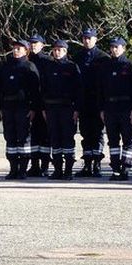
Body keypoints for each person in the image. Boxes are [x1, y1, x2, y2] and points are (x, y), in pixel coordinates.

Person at [98, 37, 132, 181]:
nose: (114, 49)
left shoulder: (130, 65)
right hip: (110, 108)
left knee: (127, 139)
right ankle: (115, 169)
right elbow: (101, 89)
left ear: (123, 48)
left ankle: (126, 168)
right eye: (112, 47)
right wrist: (102, 109)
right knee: (113, 140)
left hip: (126, 108)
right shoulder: (106, 66)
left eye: (117, 47)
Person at [0, 39, 41, 180]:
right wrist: (0, 107)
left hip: (23, 107)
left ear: (26, 50)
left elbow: (36, 90)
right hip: (8, 107)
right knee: (10, 137)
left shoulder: (30, 67)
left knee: (23, 138)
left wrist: (33, 108)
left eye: (19, 48)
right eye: (15, 48)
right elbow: (0, 89)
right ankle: (13, 169)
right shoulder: (6, 67)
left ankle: (22, 169)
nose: (16, 51)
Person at [41, 40, 83, 180]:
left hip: (67, 108)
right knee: (55, 139)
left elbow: (78, 90)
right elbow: (43, 89)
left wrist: (76, 109)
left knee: (67, 139)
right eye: (55, 49)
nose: (57, 52)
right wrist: (44, 108)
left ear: (65, 51)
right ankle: (57, 169)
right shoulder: (48, 67)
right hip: (52, 108)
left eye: (60, 50)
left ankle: (68, 170)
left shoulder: (71, 67)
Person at [73, 28, 110, 177]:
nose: (87, 40)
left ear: (96, 39)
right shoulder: (78, 57)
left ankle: (97, 164)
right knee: (85, 133)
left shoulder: (103, 58)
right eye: (84, 38)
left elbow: (107, 83)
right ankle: (87, 163)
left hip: (97, 101)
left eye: (90, 38)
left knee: (97, 133)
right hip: (83, 101)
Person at [28, 34, 52, 176]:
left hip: (43, 103)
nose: (33, 46)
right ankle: (34, 165)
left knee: (45, 135)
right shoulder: (27, 60)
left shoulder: (48, 61)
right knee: (33, 136)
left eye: (36, 43)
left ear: (42, 45)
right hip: (30, 103)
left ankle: (44, 166)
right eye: (31, 43)